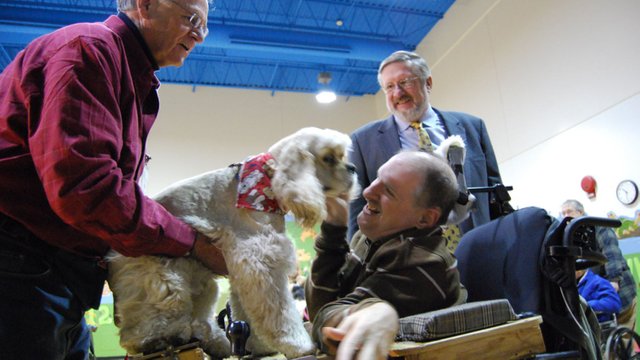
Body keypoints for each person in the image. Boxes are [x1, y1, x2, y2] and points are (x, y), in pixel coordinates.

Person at [0, 0, 227, 358]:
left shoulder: (122, 70)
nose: (199, 35)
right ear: (145, 5)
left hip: (53, 277)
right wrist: (194, 244)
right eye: (191, 18)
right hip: (20, 270)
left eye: (205, 26)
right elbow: (87, 190)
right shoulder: (89, 51)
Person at [305, 151, 468, 360]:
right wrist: (333, 231)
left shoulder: (422, 263)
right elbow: (322, 307)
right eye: (377, 178)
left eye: (389, 191)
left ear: (426, 218)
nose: (367, 191)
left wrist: (372, 311)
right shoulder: (370, 236)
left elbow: (325, 322)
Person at [348, 50, 509, 242]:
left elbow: (496, 194)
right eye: (389, 87)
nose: (398, 93)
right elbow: (357, 211)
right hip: (406, 257)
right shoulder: (363, 141)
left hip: (478, 247)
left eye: (405, 82)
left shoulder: (473, 127)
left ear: (428, 83)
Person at [561, 199, 637, 330]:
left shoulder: (600, 227)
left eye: (569, 211)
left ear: (581, 212)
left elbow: (612, 254)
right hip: (598, 295)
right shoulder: (571, 236)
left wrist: (614, 281)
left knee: (623, 339)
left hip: (622, 292)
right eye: (563, 213)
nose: (566, 216)